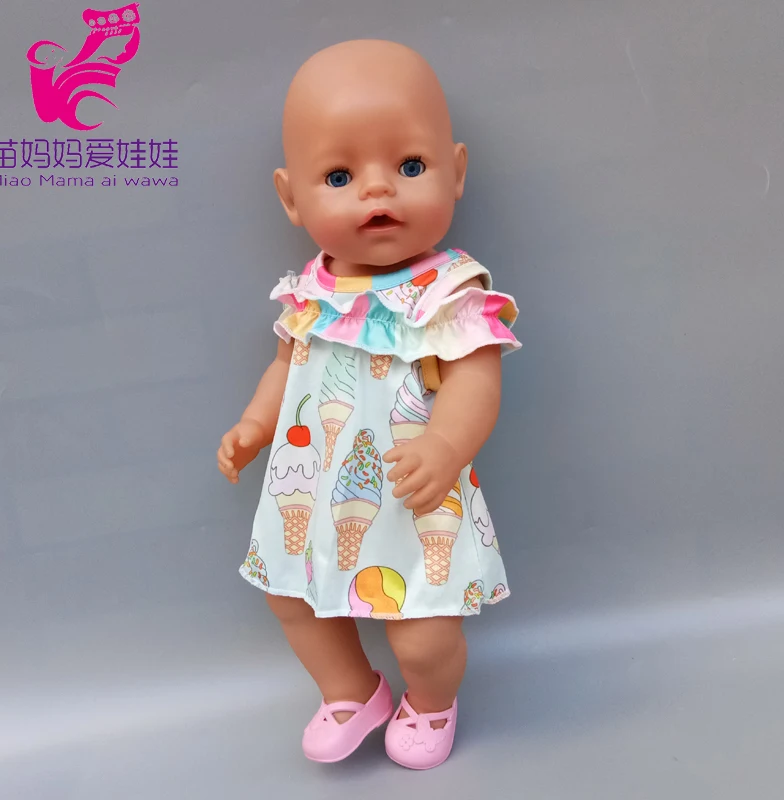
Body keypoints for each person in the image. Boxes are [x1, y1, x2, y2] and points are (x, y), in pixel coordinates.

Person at [217, 39, 521, 770]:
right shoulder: (308, 293)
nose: (377, 190)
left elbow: (477, 382)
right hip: (313, 492)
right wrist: (255, 424)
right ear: (291, 198)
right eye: (339, 176)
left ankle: (431, 701)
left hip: (415, 493)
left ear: (456, 172)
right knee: (294, 601)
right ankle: (351, 691)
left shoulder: (449, 294)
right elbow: (287, 367)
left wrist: (445, 446)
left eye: (410, 166)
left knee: (424, 631)